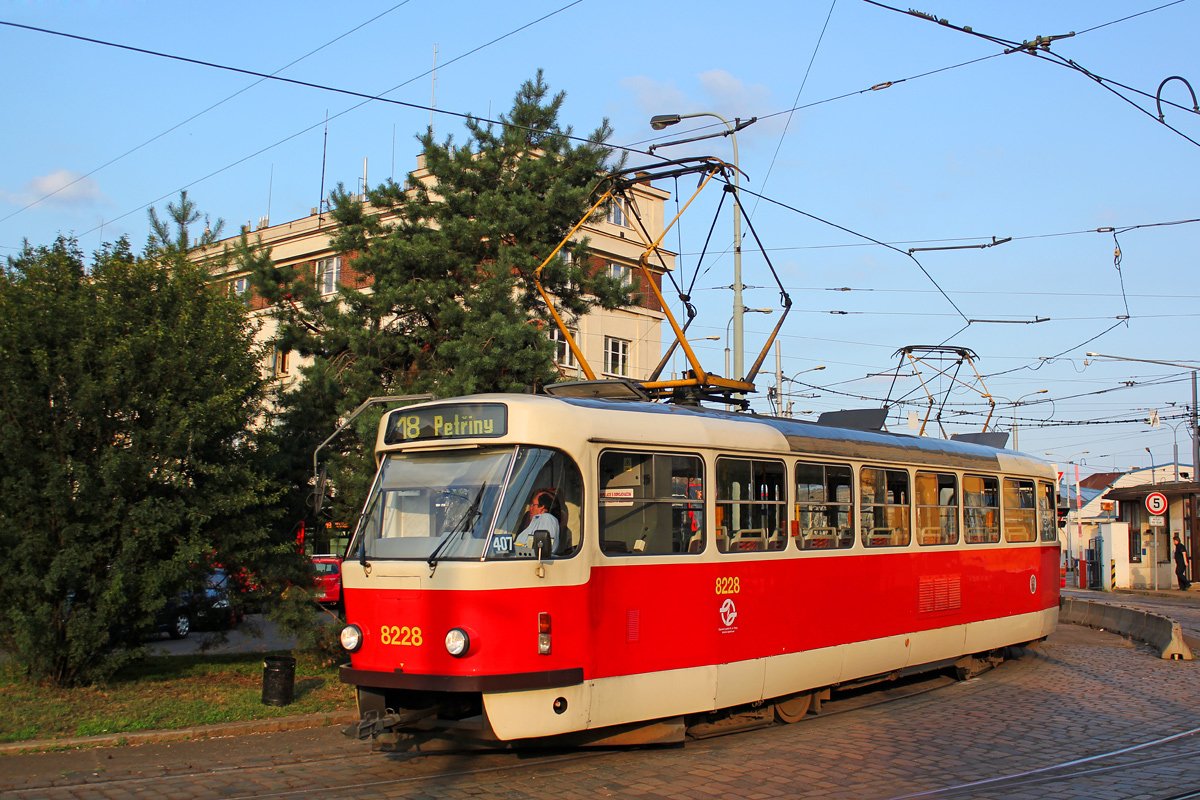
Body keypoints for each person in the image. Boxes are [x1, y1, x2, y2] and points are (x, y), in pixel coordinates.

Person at [513, 491, 560, 556]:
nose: (530, 508)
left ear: (542, 508)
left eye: (533, 504)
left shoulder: (547, 519)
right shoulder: (536, 521)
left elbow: (543, 549)